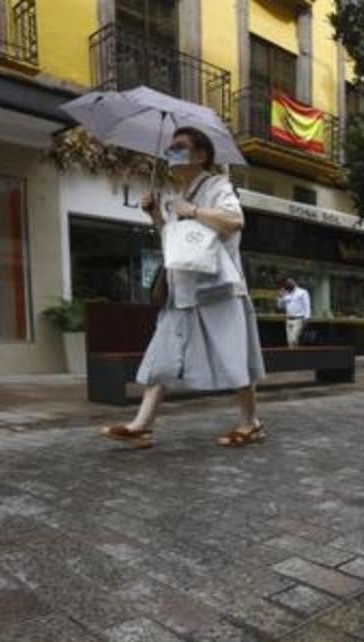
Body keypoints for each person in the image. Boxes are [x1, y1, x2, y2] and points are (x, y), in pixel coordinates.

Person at [100, 127, 265, 449]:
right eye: (170, 148)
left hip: (218, 289)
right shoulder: (177, 196)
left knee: (233, 355)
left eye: (180, 147)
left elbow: (235, 221)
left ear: (201, 155)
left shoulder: (218, 186)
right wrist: (155, 216)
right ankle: (142, 425)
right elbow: (173, 244)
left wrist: (195, 212)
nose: (171, 154)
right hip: (183, 291)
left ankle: (251, 423)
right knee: (162, 354)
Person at [277, 278, 311, 348]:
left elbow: (307, 305)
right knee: (289, 340)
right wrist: (280, 297)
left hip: (298, 319)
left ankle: (296, 355)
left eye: (290, 283)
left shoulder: (302, 292)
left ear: (294, 283)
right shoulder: (286, 294)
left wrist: (307, 318)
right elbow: (280, 307)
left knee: (294, 339)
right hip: (288, 319)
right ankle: (293, 355)